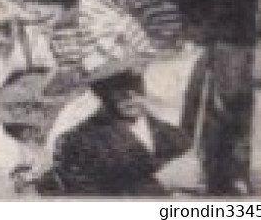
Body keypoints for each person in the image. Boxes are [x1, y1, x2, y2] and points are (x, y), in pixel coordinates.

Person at [50, 60, 191, 196]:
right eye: (119, 85)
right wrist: (159, 183)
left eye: (135, 83)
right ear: (100, 91)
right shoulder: (78, 143)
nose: (130, 94)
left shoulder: (173, 135)